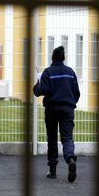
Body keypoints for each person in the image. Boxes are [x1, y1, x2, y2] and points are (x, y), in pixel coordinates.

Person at [33, 46, 80, 183]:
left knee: (52, 139)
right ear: (63, 58)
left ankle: (52, 170)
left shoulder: (48, 72)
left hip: (52, 109)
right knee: (67, 138)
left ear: (52, 58)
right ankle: (70, 158)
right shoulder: (70, 72)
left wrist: (37, 84)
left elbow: (39, 91)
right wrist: (70, 103)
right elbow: (76, 93)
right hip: (67, 109)